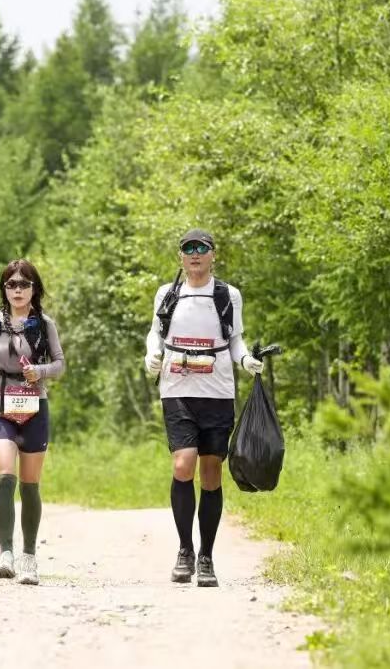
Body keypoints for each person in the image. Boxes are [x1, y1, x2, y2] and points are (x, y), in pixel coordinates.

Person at [143, 229, 264, 588]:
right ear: (180, 256)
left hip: (217, 389)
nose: (195, 254)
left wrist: (245, 360)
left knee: (211, 472)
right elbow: (155, 332)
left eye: (202, 249)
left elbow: (236, 338)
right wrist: (151, 353)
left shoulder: (228, 295)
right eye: (188, 249)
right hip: (177, 387)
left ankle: (207, 555)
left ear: (213, 254)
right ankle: (184, 549)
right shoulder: (168, 293)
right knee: (183, 464)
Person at [0, 259, 65, 586]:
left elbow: (59, 364)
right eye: (11, 284)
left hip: (34, 405)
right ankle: (5, 554)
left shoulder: (45, 325)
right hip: (0, 403)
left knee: (30, 484)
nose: (17, 290)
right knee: (5, 475)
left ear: (34, 289)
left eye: (23, 284)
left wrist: (38, 372)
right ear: (3, 288)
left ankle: (29, 556)